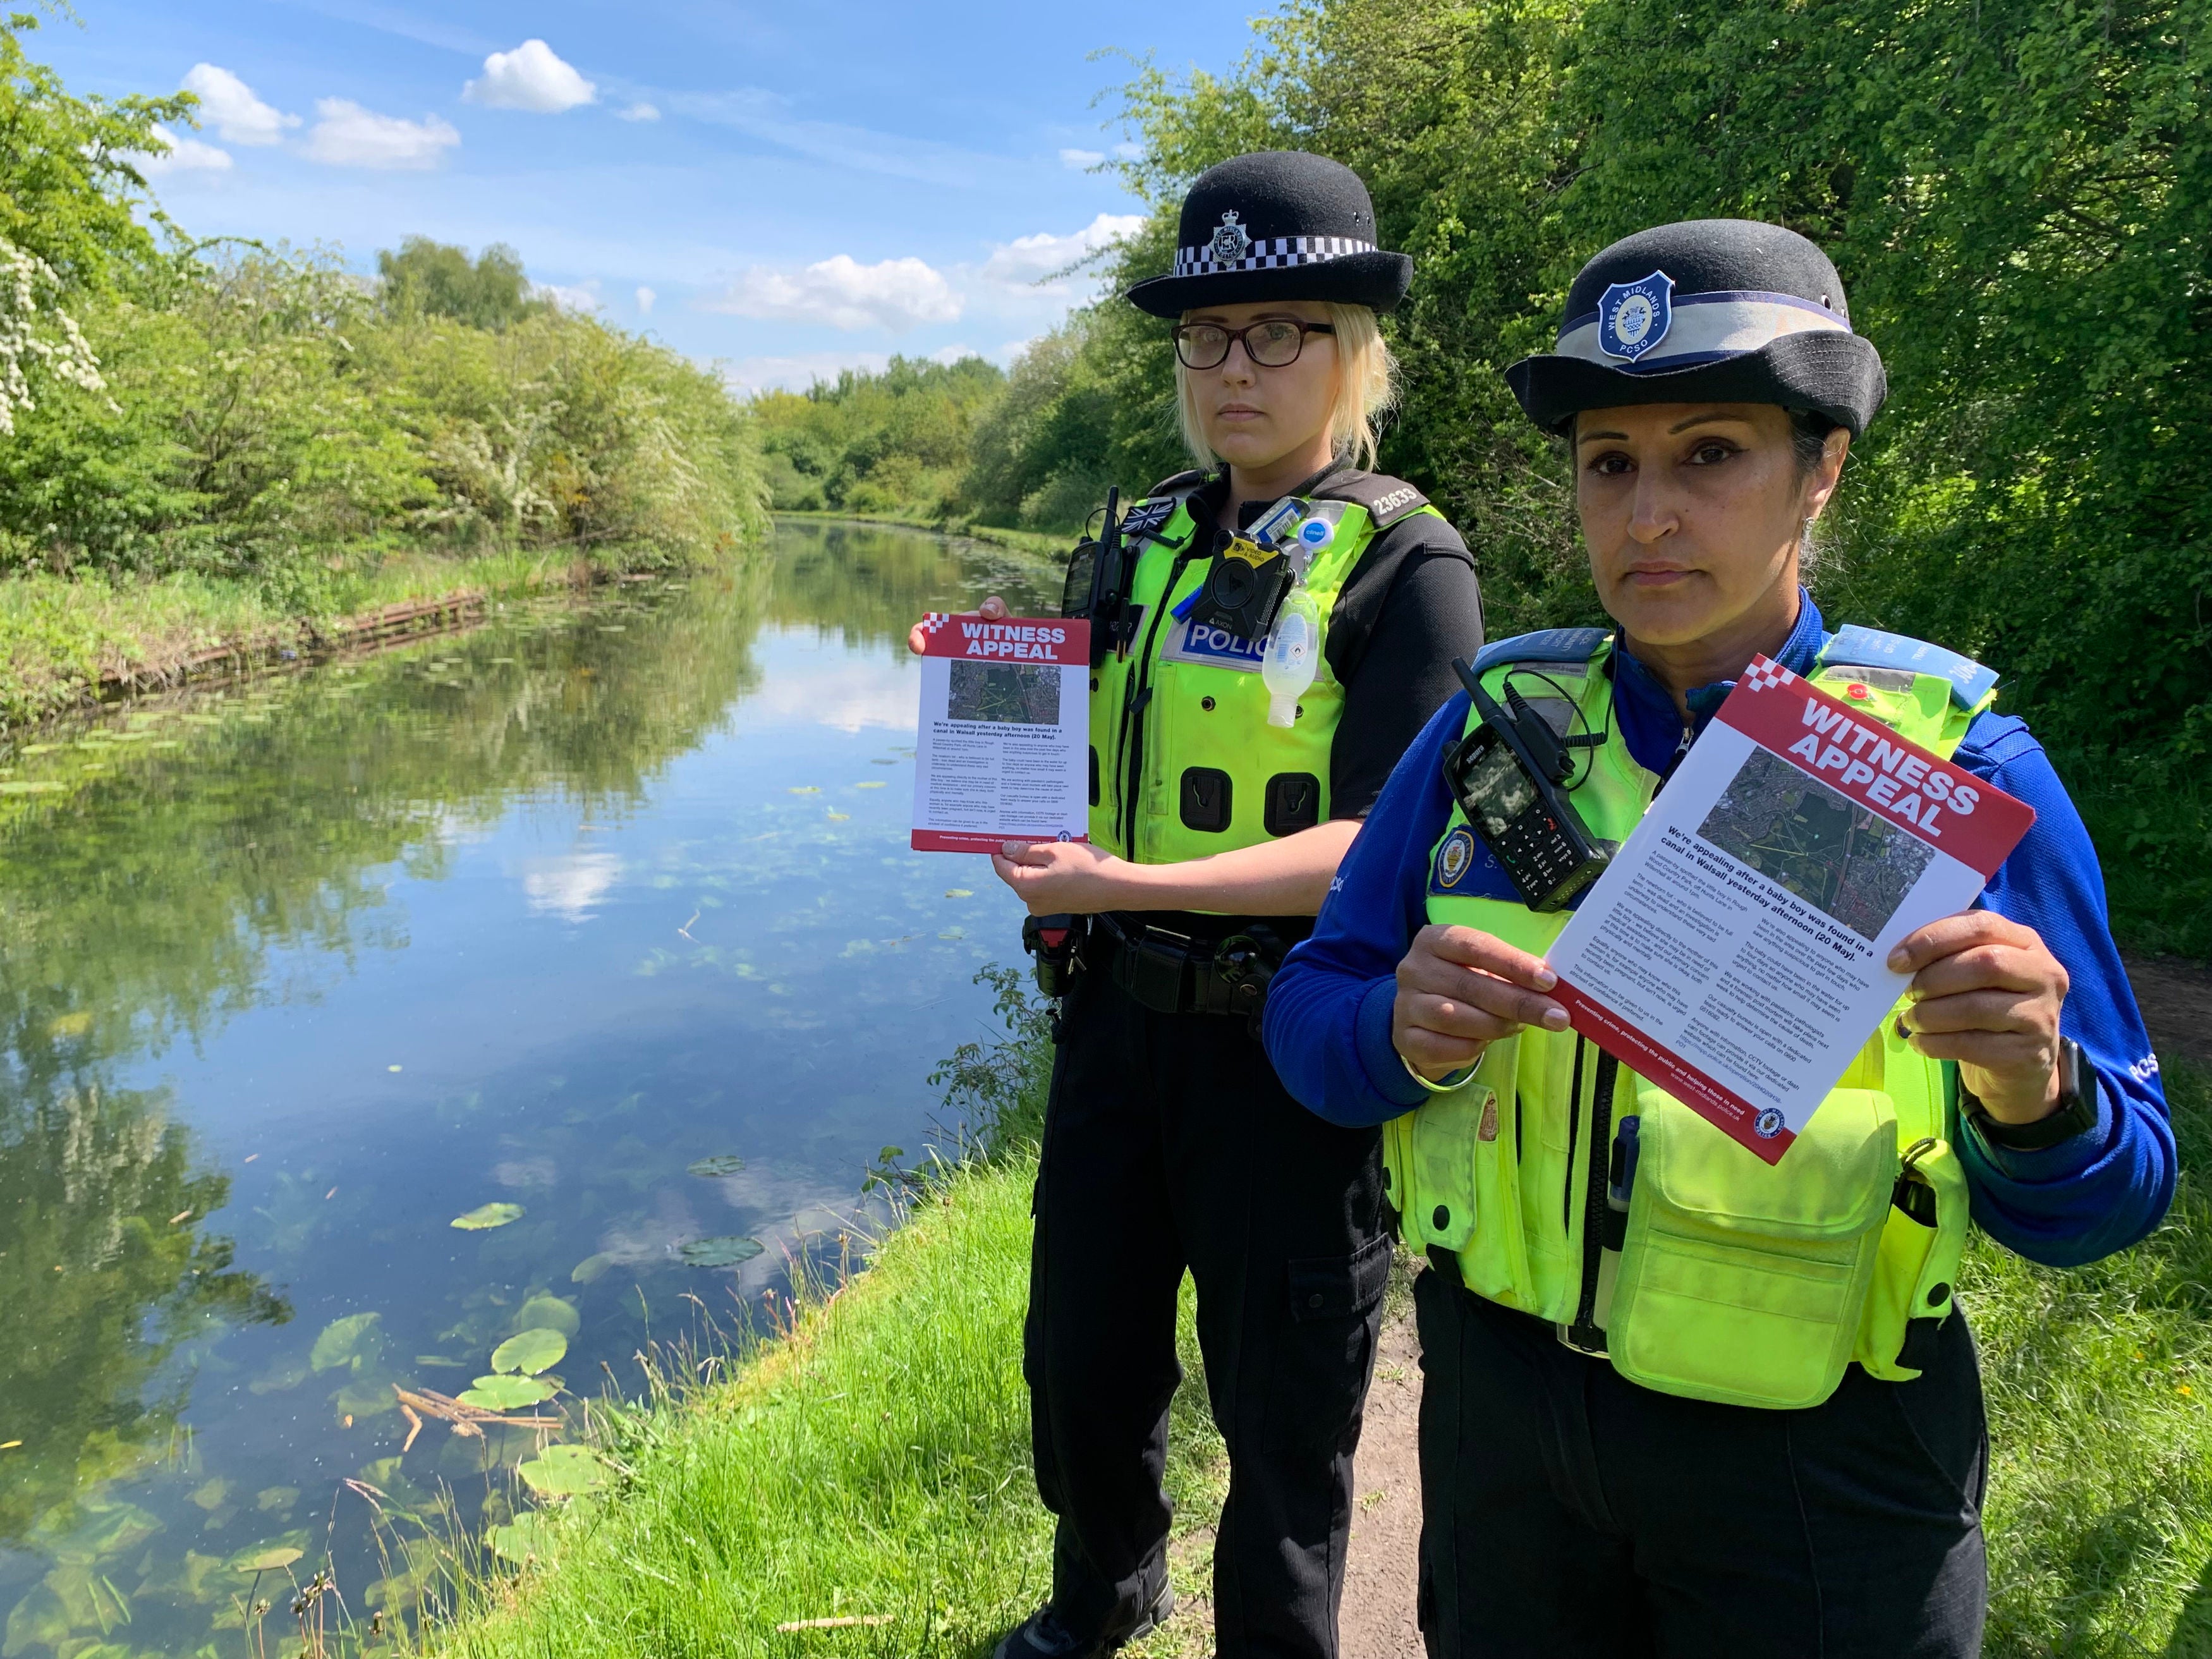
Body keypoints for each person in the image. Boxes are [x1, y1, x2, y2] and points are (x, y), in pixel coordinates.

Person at [1260, 218, 2177, 1657]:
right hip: (1506, 1431)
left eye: (1710, 454)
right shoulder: (1488, 730)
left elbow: (2108, 1199)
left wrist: (2034, 1089)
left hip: (1819, 1455)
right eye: (1608, 463)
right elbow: (1308, 1021)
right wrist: (1390, 1027)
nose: (1648, 516)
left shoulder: (1962, 768)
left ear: (1821, 468)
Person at [911, 150, 1484, 1658]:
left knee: (1284, 1408)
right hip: (1112, 1022)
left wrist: (1129, 879)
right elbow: (1066, 741)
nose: (1238, 367)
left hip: (1288, 1048)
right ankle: (1101, 1593)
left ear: (1352, 350)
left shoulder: (1406, 565)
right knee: (1080, 1364)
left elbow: (1384, 848)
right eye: (1208, 336)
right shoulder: (1144, 538)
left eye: (1281, 330)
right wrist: (974, 690)